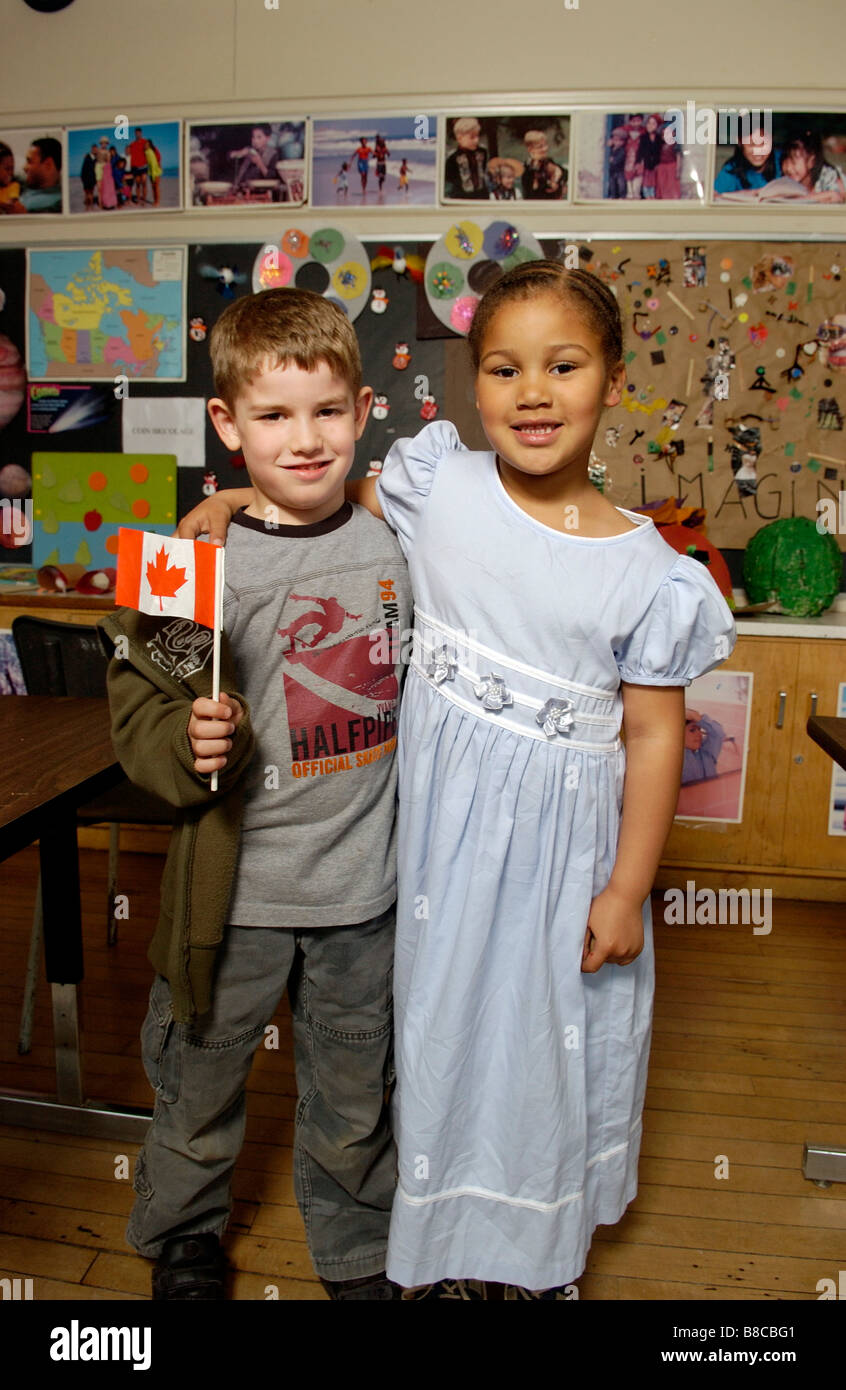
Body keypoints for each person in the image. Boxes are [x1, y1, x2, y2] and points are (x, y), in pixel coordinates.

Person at [177, 262, 736, 1298]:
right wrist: (238, 497)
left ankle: (528, 1254)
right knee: (430, 1038)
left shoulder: (651, 573)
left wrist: (626, 889)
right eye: (504, 368)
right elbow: (326, 485)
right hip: (429, 848)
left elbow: (656, 739)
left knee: (535, 1047)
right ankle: (437, 1249)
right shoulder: (440, 487)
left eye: (563, 366)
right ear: (471, 383)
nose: (533, 392)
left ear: (611, 379)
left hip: (556, 863)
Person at [102, 288, 412, 1301]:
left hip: (363, 895)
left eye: (327, 411)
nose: (306, 438)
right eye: (273, 416)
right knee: (198, 1081)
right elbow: (137, 710)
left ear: (365, 411)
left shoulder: (399, 541)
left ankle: (359, 1244)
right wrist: (182, 744)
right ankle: (183, 1235)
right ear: (227, 425)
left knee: (355, 1088)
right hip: (230, 903)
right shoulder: (188, 565)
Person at [714, 120, 781, 193]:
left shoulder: (783, 162)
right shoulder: (732, 169)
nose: (757, 151)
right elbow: (715, 195)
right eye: (751, 144)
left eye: (763, 144)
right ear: (740, 142)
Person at [0, 136, 62, 214]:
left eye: (29, 161)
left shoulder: (58, 202)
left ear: (48, 164)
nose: (24, 167)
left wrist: (23, 216)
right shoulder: (20, 182)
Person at [781, 131, 846, 204]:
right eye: (786, 162)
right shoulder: (786, 179)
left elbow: (835, 196)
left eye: (794, 163)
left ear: (812, 161)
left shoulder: (828, 176)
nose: (789, 168)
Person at [443, 116, 489, 199]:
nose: (476, 140)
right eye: (472, 137)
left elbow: (483, 169)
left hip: (482, 195)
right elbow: (449, 178)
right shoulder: (453, 158)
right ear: (459, 138)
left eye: (477, 136)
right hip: (462, 196)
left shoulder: (482, 152)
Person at [681, 709, 726, 783]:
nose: (699, 734)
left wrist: (698, 718)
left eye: (699, 729)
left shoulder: (706, 752)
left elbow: (718, 734)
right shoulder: (675, 758)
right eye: (692, 730)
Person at [521, 128, 566, 199]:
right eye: (540, 147)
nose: (545, 149)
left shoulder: (548, 161)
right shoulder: (527, 168)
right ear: (530, 149)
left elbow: (564, 172)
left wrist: (556, 180)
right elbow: (533, 191)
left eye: (545, 145)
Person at [128, 126, 148, 203]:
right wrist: (131, 168)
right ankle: (139, 199)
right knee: (138, 184)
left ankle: (144, 199)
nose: (138, 134)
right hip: (136, 167)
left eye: (139, 133)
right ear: (135, 134)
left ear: (141, 133)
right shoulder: (132, 144)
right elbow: (130, 156)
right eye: (136, 133)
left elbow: (150, 153)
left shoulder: (145, 142)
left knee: (144, 182)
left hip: (143, 166)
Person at [0, 142, 20, 206]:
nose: (11, 173)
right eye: (7, 169)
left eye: (12, 168)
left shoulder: (13, 186)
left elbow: (10, 205)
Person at [145, 138, 162, 206]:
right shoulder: (146, 152)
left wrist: (153, 174)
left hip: (155, 172)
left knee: (156, 187)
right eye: (145, 144)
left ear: (149, 145)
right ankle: (155, 201)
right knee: (153, 187)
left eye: (147, 144)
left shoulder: (150, 152)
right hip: (151, 172)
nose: (145, 145)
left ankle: (157, 202)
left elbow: (153, 163)